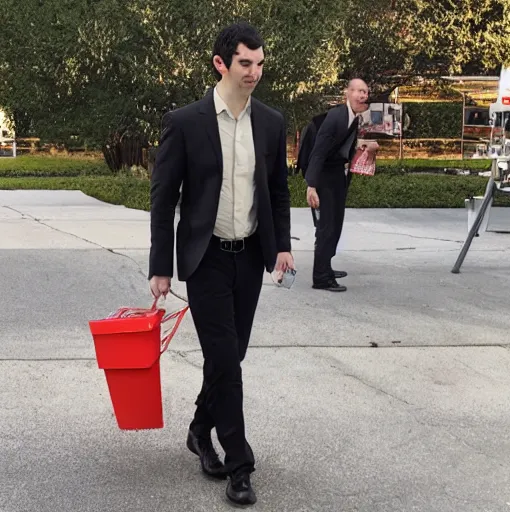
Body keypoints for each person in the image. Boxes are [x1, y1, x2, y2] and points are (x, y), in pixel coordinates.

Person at [148, 22, 294, 507]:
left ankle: (197, 429)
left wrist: (282, 246)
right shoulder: (186, 122)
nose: (254, 72)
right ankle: (239, 464)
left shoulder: (271, 123)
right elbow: (163, 197)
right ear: (221, 64)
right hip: (206, 258)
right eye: (245, 63)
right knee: (228, 365)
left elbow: (276, 191)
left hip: (249, 257)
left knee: (231, 356)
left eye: (259, 63)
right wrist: (161, 265)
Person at [305, 78, 377, 292]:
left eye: (365, 92)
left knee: (335, 224)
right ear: (348, 92)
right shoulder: (336, 117)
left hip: (337, 175)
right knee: (327, 227)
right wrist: (311, 185)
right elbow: (318, 152)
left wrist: (363, 147)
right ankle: (320, 278)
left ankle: (325, 266)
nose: (363, 95)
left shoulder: (353, 117)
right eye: (358, 91)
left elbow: (345, 146)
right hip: (325, 178)